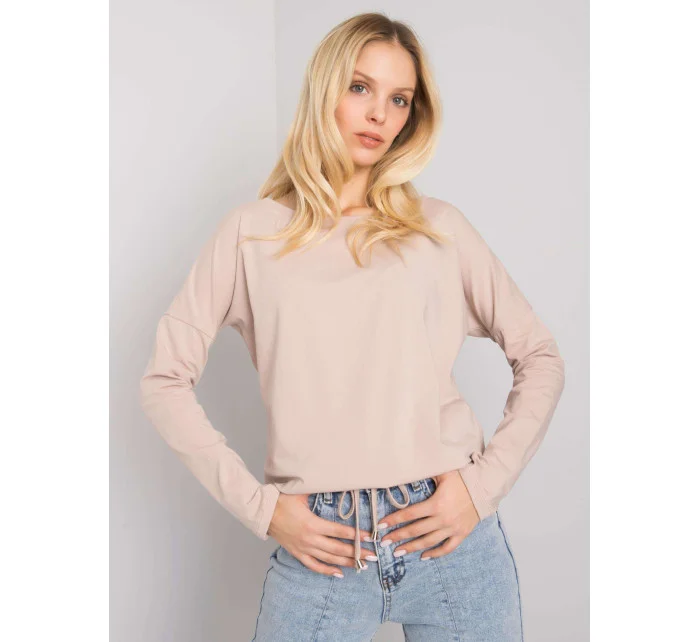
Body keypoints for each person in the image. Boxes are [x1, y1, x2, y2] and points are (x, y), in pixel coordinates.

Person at [139, 11, 565, 641]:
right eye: (360, 87)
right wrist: (263, 510)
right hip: (322, 545)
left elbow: (541, 357)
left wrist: (481, 489)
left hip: (451, 539)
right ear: (325, 90)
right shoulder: (253, 234)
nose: (378, 115)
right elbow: (163, 382)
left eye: (399, 99)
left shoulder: (437, 228)